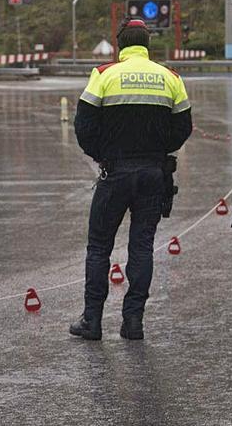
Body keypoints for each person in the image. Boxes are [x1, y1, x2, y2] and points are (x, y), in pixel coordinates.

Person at [70, 19, 192, 341]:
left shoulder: (103, 75)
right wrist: (158, 151)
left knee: (99, 247)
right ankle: (133, 321)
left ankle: (92, 321)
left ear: (120, 44)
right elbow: (183, 128)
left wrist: (100, 153)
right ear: (147, 44)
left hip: (114, 173)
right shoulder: (170, 78)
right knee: (142, 246)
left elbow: (83, 124)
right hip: (153, 174)